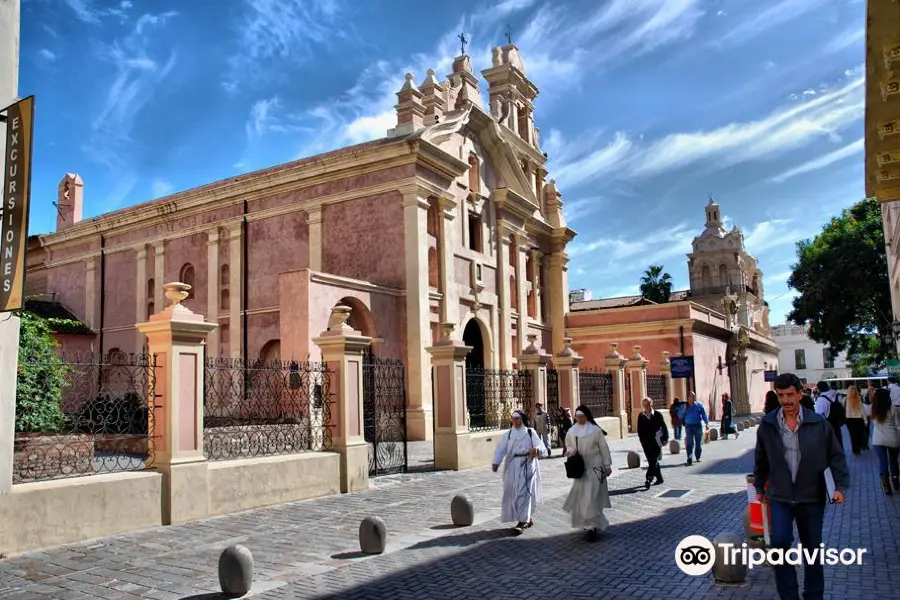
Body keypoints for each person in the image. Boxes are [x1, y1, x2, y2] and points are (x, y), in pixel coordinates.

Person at [754, 373, 849, 600]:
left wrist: (840, 487)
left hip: (811, 497)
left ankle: (813, 595)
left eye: (790, 395)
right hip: (780, 496)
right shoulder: (767, 425)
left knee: (812, 549)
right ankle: (789, 596)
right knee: (779, 545)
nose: (786, 400)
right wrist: (758, 486)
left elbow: (836, 457)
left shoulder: (819, 424)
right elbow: (761, 459)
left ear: (799, 394)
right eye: (781, 395)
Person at [562, 405, 613, 540]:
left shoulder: (596, 431)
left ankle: (593, 526)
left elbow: (603, 448)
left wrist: (607, 465)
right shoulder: (572, 431)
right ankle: (590, 524)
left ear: (587, 416)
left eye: (582, 417)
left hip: (596, 468)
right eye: (578, 417)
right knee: (583, 499)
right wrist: (570, 451)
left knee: (592, 497)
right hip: (581, 470)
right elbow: (569, 446)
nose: (580, 419)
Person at [491, 410, 547, 532]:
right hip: (513, 465)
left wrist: (536, 450)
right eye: (513, 419)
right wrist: (496, 462)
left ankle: (522, 522)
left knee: (524, 492)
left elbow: (541, 447)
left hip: (527, 464)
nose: (515, 421)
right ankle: (526, 518)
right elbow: (501, 449)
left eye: (517, 419)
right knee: (514, 493)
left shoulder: (530, 432)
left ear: (522, 419)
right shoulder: (509, 434)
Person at [871, 387, 900, 495]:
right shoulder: (892, 408)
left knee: (882, 462)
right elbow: (898, 426)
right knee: (893, 461)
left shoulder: (873, 408)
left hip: (877, 440)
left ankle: (886, 486)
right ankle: (896, 482)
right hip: (893, 439)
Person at [637, 397, 668, 488]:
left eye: (648, 404)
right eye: (645, 405)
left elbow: (664, 427)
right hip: (646, 443)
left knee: (654, 460)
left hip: (657, 441)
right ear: (643, 406)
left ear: (652, 403)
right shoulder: (641, 416)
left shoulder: (658, 414)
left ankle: (649, 478)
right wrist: (642, 441)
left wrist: (665, 439)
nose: (647, 406)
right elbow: (639, 431)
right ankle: (659, 478)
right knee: (652, 461)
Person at [677, 392, 709, 465]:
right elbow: (680, 416)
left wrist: (707, 423)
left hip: (698, 425)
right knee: (690, 442)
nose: (694, 398)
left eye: (694, 396)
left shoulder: (699, 405)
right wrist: (684, 410)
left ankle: (698, 457)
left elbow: (704, 414)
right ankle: (690, 457)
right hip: (689, 426)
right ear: (688, 398)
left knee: (698, 443)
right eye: (692, 396)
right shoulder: (684, 406)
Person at [814, 381, 846, 450]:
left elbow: (818, 414)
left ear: (819, 389)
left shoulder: (820, 399)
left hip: (827, 424)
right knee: (839, 440)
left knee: (830, 445)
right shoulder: (837, 394)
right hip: (837, 423)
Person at [844, 385, 869, 455]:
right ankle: (857, 449)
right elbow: (862, 410)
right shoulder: (858, 398)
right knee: (859, 435)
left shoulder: (845, 399)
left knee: (853, 435)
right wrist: (865, 420)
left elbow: (844, 409)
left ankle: (855, 450)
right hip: (858, 419)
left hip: (849, 420)